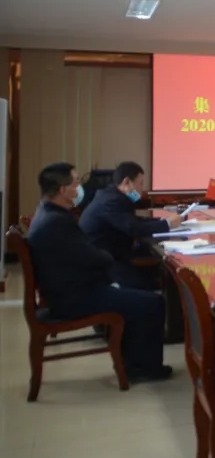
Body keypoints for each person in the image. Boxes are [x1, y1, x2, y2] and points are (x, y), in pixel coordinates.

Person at [26, 163, 171, 381]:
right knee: (153, 303)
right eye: (76, 182)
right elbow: (94, 257)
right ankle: (144, 368)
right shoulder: (57, 222)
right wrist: (107, 262)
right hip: (75, 297)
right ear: (63, 190)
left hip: (66, 290)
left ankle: (133, 362)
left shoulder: (47, 213)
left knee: (138, 294)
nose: (80, 187)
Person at [79, 161, 183, 290]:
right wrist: (167, 224)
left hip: (113, 255)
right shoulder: (111, 201)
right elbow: (134, 228)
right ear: (127, 182)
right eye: (140, 183)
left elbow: (133, 221)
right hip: (104, 265)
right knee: (156, 283)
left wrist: (161, 221)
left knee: (157, 272)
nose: (141, 189)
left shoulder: (111, 195)